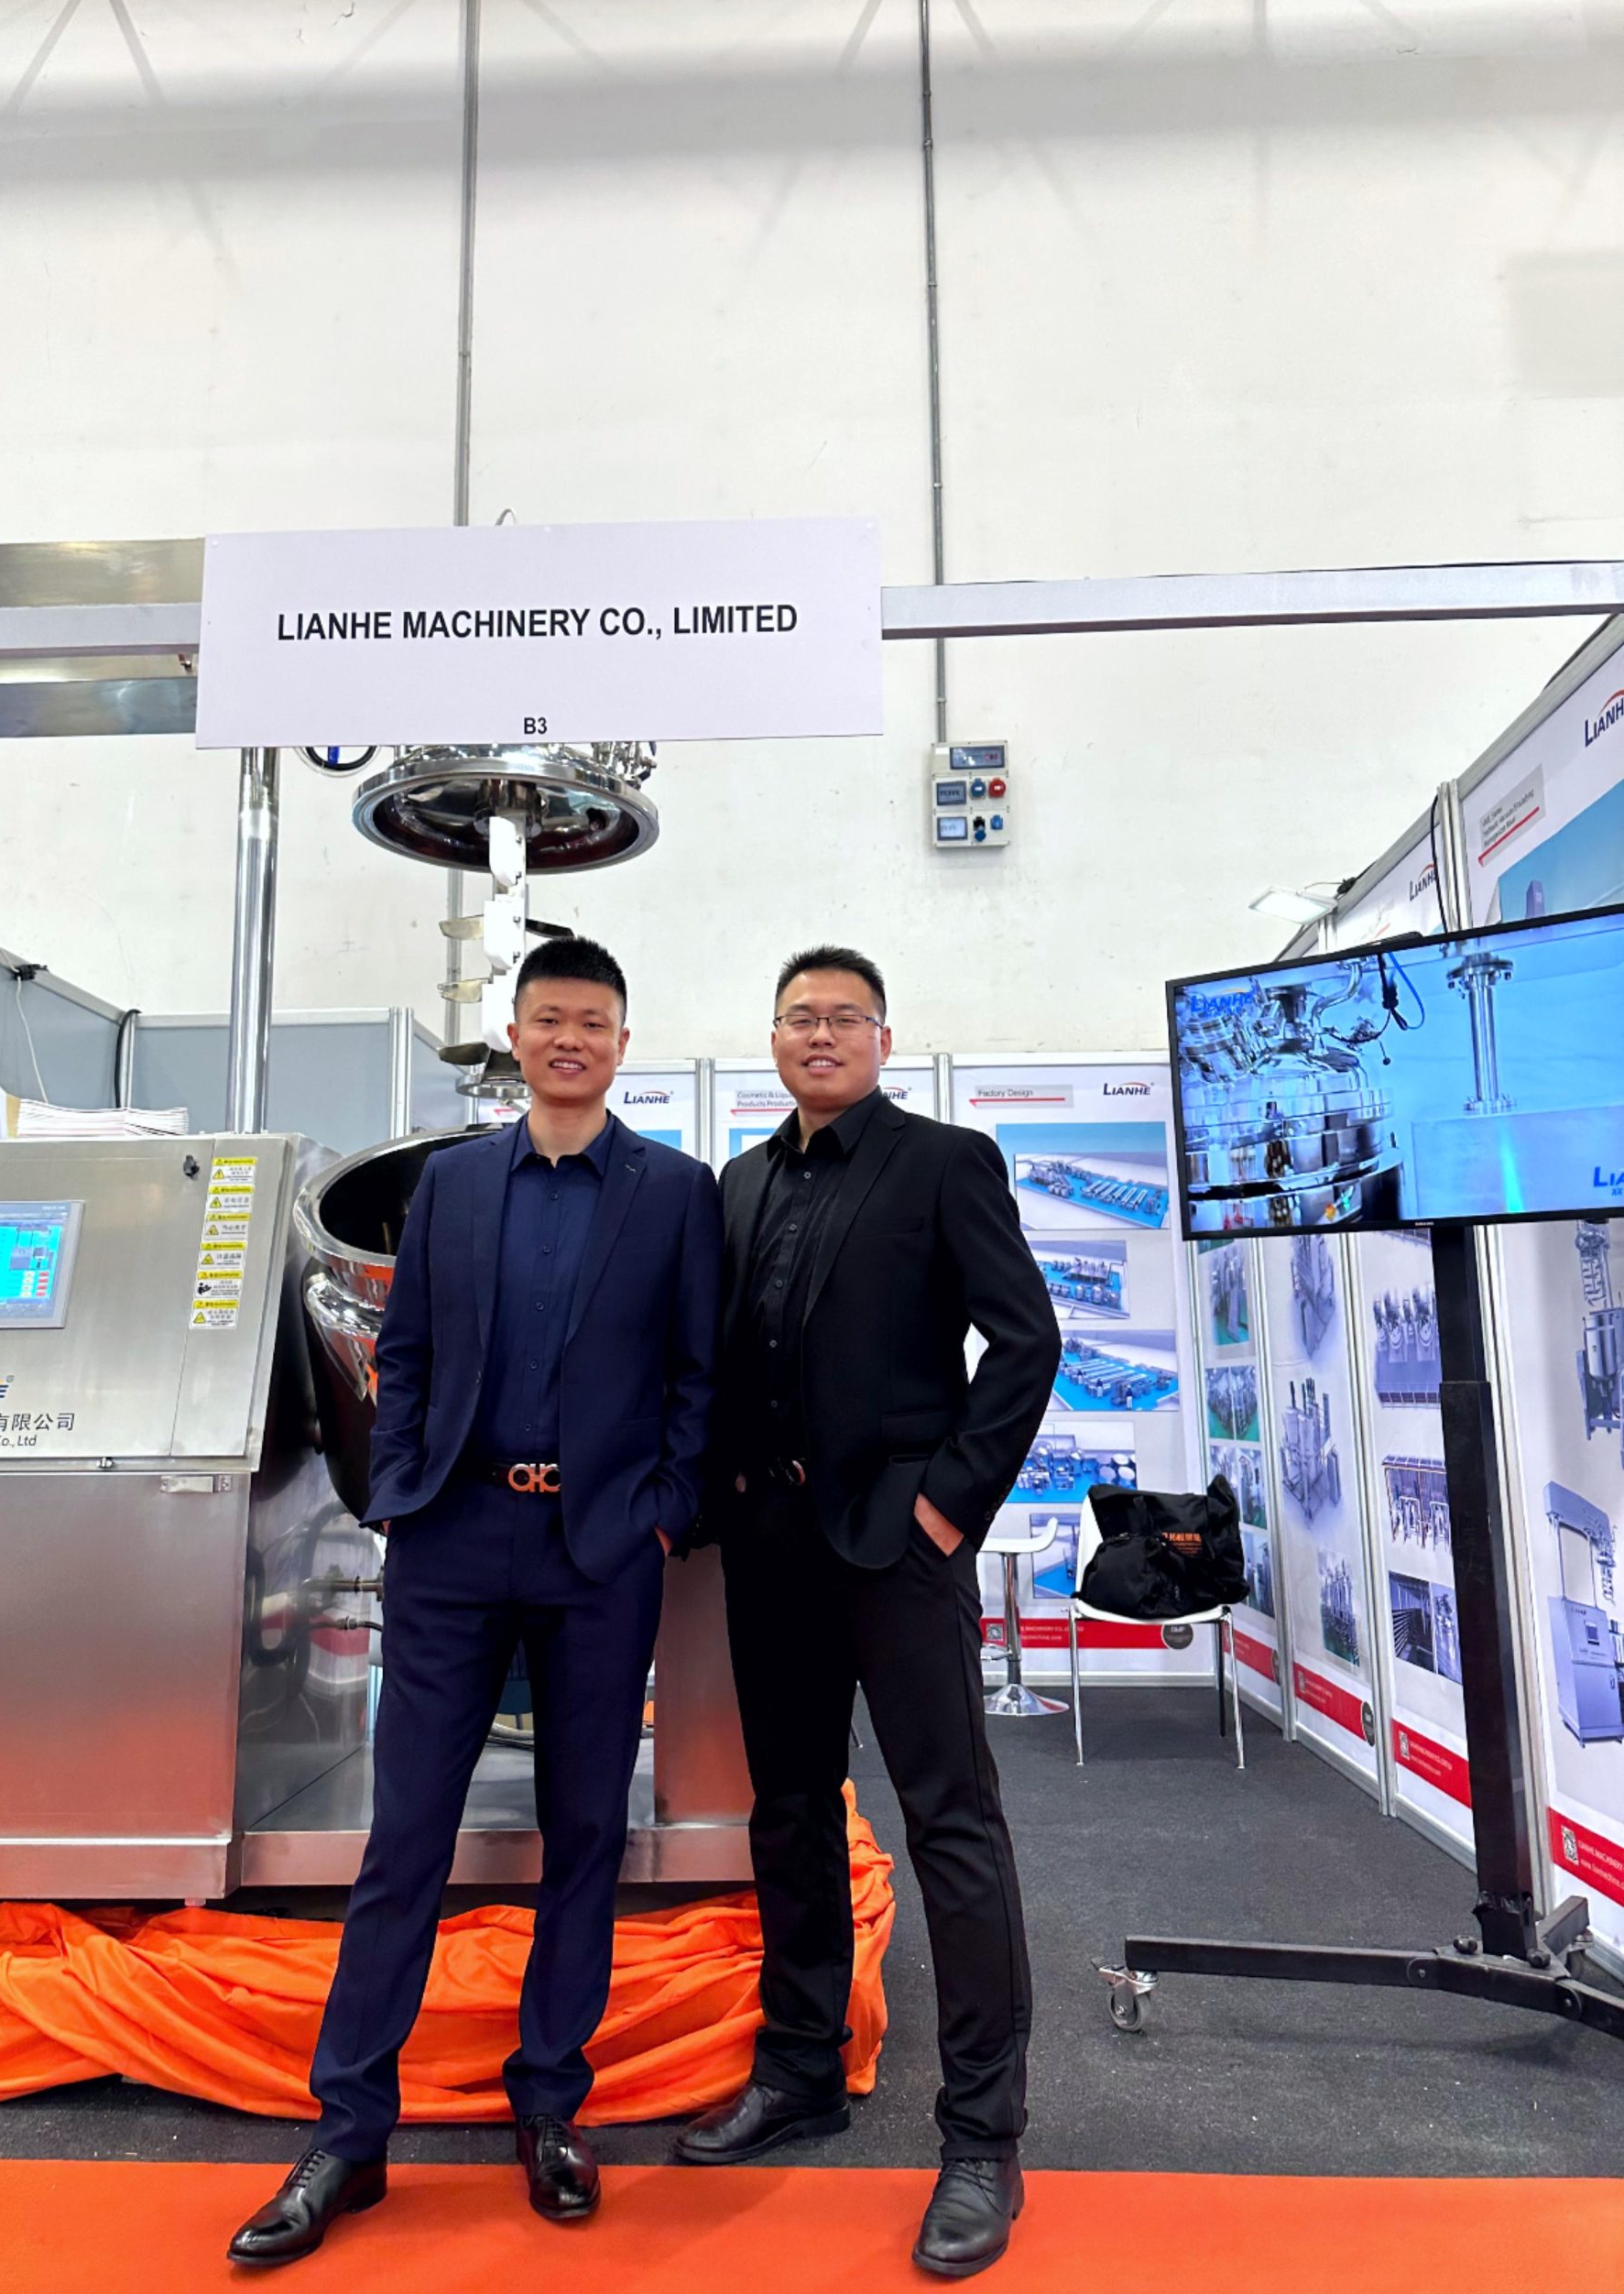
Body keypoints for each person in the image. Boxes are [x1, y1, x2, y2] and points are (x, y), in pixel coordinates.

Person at [230, 936, 723, 2267]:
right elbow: (406, 1351)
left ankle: (551, 2106)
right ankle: (348, 2132)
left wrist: (662, 1510)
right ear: (516, 1033)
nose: (570, 1039)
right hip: (452, 1540)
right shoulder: (450, 1187)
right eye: (549, 1018)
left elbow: (698, 1373)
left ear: (623, 1043)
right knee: (406, 1840)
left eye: (593, 1022)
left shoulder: (677, 1194)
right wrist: (398, 1492)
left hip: (600, 1551)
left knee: (584, 1834)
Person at [676, 945, 1060, 2282]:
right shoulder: (738, 1183)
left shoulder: (944, 1162)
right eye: (800, 1017)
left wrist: (947, 1509)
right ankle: (800, 2070)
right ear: (774, 1037)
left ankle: (983, 2138)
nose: (821, 1034)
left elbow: (1026, 1342)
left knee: (952, 1825)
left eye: (845, 1017)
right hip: (768, 1550)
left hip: (898, 1551)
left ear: (883, 1039)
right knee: (788, 1814)